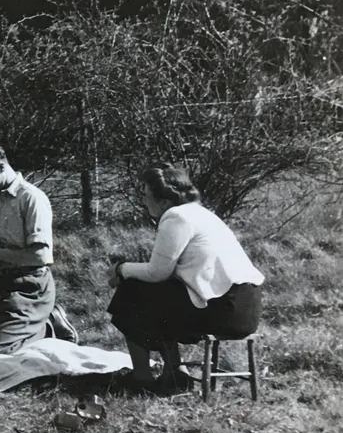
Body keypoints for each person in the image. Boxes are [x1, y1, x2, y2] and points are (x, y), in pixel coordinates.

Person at [107, 163, 265, 395]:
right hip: (245, 306)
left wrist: (121, 270)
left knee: (132, 291)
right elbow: (169, 275)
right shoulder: (199, 213)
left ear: (165, 200)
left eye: (146, 195)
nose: (144, 201)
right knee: (157, 294)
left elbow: (157, 272)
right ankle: (175, 373)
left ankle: (143, 378)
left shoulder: (176, 217)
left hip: (225, 310)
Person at [0, 142, 78, 355]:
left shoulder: (31, 198)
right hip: (2, 284)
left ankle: (49, 325)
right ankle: (38, 324)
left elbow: (40, 256)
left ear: (0, 166)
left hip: (30, 286)